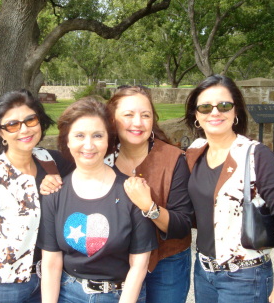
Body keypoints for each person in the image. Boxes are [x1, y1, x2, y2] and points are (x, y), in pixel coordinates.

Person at [40, 86, 193, 303]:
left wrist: (148, 207)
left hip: (165, 261)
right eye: (128, 115)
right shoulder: (100, 152)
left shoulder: (172, 159)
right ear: (113, 121)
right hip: (115, 264)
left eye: (145, 115)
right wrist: (50, 181)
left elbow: (182, 225)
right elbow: (74, 175)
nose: (137, 122)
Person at [183, 75, 274, 303]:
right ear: (196, 115)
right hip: (203, 272)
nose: (215, 112)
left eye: (224, 105)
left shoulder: (256, 155)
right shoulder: (195, 151)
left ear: (235, 111)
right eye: (206, 107)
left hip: (246, 278)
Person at [0, 89, 73, 303]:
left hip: (47, 282)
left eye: (31, 120)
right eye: (12, 124)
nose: (24, 129)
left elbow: (88, 177)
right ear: (1, 133)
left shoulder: (52, 162)